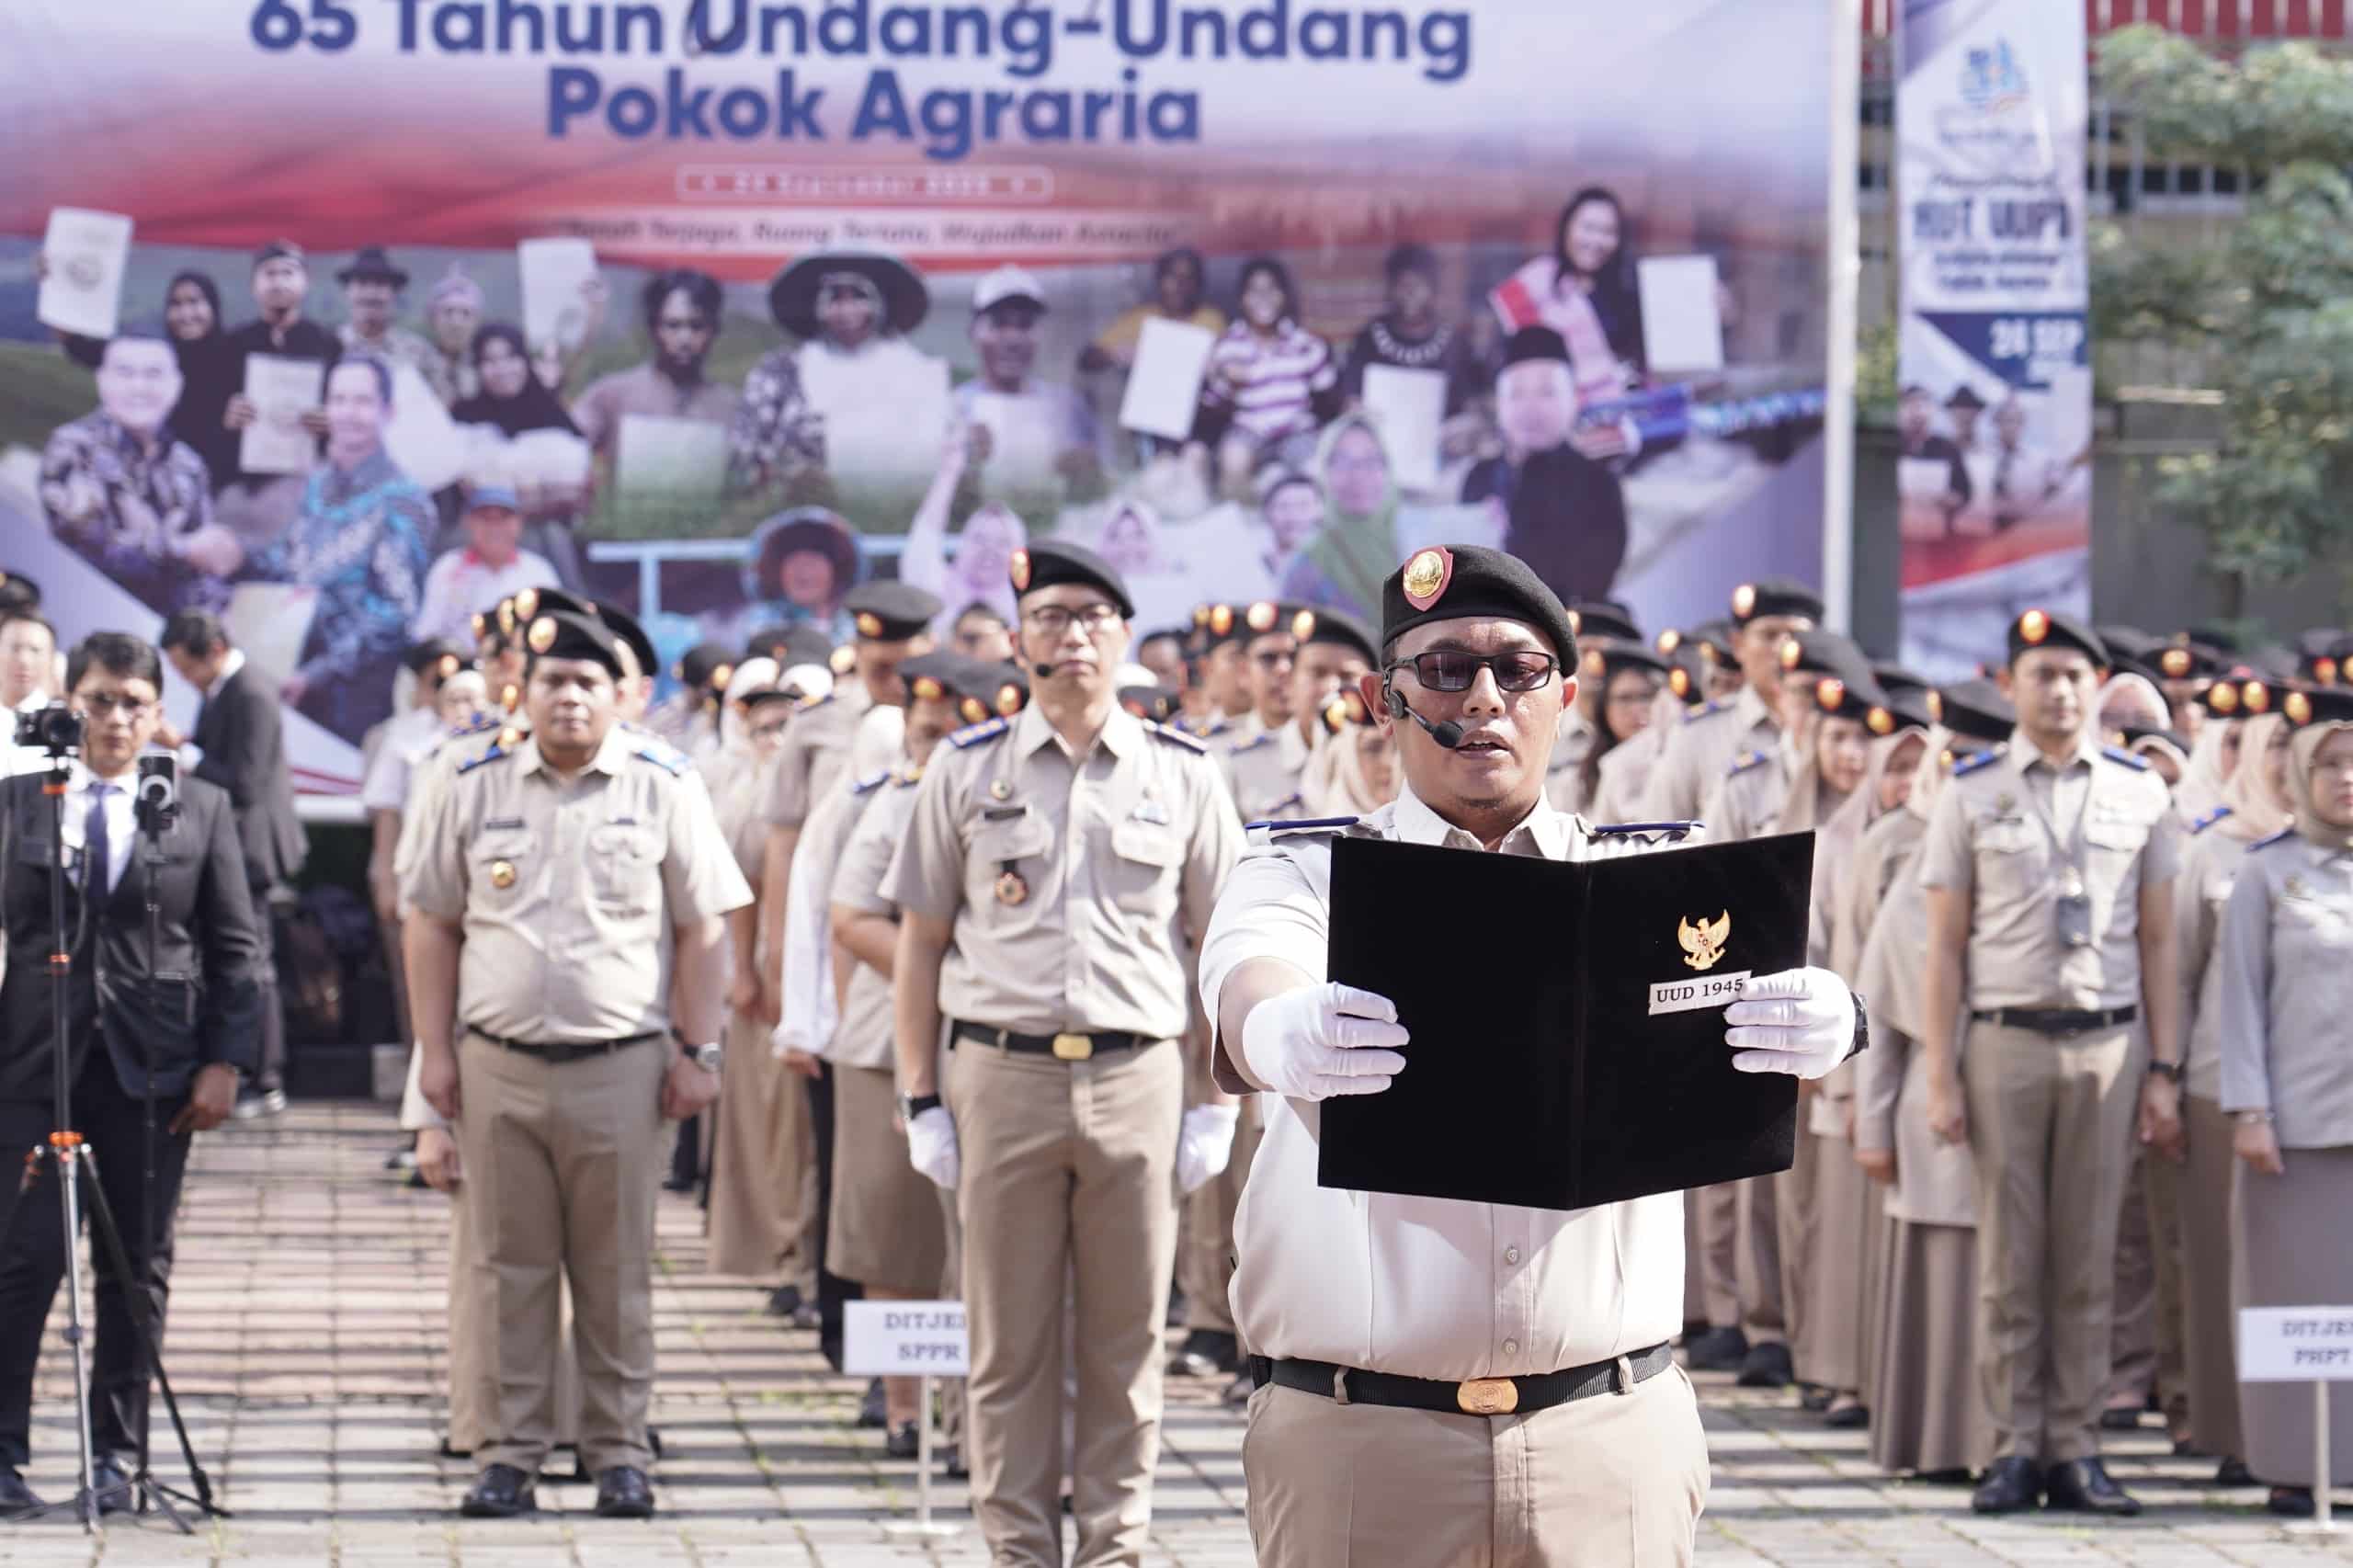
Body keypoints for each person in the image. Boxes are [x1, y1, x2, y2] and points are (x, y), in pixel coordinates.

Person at [1195, 543, 1862, 1568]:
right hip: (1366, 1438)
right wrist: (1278, 1029)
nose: (1484, 696)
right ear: (1384, 699)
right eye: (1446, 667)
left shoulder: (1651, 882)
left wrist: (1832, 1013)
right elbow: (1249, 973)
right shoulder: (1304, 872)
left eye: (1519, 667)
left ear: (1565, 696)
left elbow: (1761, 1000)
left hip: (1605, 1430)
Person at [885, 540, 1245, 1565]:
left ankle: (1117, 1543)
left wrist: (1217, 1100)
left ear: (1124, 635)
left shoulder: (1182, 774)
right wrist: (921, 1097)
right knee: (1006, 1344)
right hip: (1001, 1074)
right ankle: (1017, 1546)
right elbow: (919, 940)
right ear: (1017, 639)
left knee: (1127, 1340)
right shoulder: (964, 768)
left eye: (1092, 614)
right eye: (1049, 615)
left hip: (1139, 1075)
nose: (1071, 632)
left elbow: (1220, 942)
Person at [403, 609, 750, 1520]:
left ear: (620, 697)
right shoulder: (472, 780)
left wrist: (699, 1048)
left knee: (616, 1270)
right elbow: (430, 921)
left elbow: (704, 926)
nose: (568, 696)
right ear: (525, 690)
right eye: (553, 679)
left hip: (621, 1065)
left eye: (588, 682)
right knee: (505, 1267)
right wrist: (433, 1056)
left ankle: (618, 1449)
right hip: (498, 1062)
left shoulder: (662, 783)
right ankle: (509, 1453)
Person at [1917, 609, 2187, 1517]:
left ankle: (2077, 1446)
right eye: (2043, 673)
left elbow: (2158, 941)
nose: (2060, 689)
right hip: (2003, 1041)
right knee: (2009, 1255)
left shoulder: (2137, 791)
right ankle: (2011, 1447)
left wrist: (2165, 1069)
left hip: (2109, 1045)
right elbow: (1943, 947)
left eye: (2075, 673)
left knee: (2087, 1257)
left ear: (2097, 686)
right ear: (2011, 684)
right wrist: (1942, 1074)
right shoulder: (1969, 790)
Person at [0, 632, 263, 1515]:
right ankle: (2, 1453)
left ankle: (116, 1457)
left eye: (133, 703)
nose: (115, 719)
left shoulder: (198, 808)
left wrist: (226, 1060)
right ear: (70, 704)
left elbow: (234, 947)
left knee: (133, 1265)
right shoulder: (22, 802)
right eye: (100, 699)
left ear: (159, 715)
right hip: (37, 1065)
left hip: (152, 1066)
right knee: (24, 1258)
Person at [1644, 579, 1822, 1383]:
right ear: (1739, 645)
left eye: (1797, 634)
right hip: (1719, 956)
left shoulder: (1834, 722)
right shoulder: (1704, 737)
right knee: (1732, 1146)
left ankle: (1793, 1321)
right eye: (1768, 636)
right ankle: (1736, 1313)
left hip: (1822, 956)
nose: (1782, 653)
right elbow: (1655, 839)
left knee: (1807, 1164)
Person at [1852, 683, 2015, 1480]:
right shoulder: (1912, 854)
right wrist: (1872, 1121)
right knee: (1948, 1272)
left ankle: (2009, 1441)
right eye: (1957, 759)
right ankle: (1948, 1445)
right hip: (1936, 1087)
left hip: (2019, 1077)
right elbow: (1882, 1009)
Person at [2217, 685, 2353, 1518]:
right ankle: (2293, 1464)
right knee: (2295, 1305)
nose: (2346, 779)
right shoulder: (2267, 873)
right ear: (2299, 776)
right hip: (2295, 1129)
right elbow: (2238, 1000)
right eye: (2330, 765)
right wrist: (2250, 1110)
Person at [2171, 697, 2293, 1491]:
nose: (2280, 759)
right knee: (2223, 1265)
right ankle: (2235, 1432)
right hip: (2219, 1081)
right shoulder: (2213, 846)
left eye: (2295, 743)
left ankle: (2303, 1430)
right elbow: (2180, 972)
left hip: (2318, 1091)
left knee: (2302, 1270)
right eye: (2269, 745)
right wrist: (2165, 1077)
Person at [754, 582, 938, 1028]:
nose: (895, 685)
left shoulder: (955, 719)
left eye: (905, 670)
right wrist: (779, 953)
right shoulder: (819, 721)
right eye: (880, 670)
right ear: (855, 652)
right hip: (824, 924)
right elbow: (785, 842)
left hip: (917, 922)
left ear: (929, 649)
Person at [231, 356, 434, 743]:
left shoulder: (405, 501)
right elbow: (292, 565)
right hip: (292, 672)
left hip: (355, 695)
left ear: (387, 411)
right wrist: (237, 554)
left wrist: (317, 674)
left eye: (362, 401)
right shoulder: (317, 485)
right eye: (338, 399)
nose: (348, 412)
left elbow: (396, 613)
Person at [159, 608, 306, 1119]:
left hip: (253, 850)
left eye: (186, 668)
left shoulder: (251, 693)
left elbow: (245, 782)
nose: (185, 679)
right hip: (232, 847)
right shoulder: (224, 691)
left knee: (253, 964)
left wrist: (183, 749)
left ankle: (264, 1079)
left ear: (214, 650)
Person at [40, 333, 229, 616]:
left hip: (168, 636)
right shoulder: (72, 446)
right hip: (86, 616)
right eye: (124, 373)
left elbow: (202, 570)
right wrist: (182, 550)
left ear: (176, 384)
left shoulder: (189, 465)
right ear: (102, 379)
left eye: (153, 374)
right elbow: (86, 545)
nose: (138, 387)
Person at [448, 323, 591, 589]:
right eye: (490, 360)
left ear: (525, 361)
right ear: (478, 368)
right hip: (480, 544)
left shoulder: (552, 416)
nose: (502, 369)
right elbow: (465, 487)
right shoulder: (464, 417)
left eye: (510, 357)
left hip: (548, 543)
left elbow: (573, 495)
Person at [953, 265, 1106, 500]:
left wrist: (1086, 471)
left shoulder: (1067, 408)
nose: (1013, 339)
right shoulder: (954, 409)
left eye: (1025, 325)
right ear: (973, 332)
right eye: (999, 324)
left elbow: (1103, 486)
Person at [1491, 186, 1649, 406]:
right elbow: (1510, 363)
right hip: (1555, 415)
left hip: (1622, 413)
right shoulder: (1533, 285)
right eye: (1588, 228)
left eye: (1608, 232)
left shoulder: (1626, 289)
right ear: (1567, 228)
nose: (1596, 241)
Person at [1222, 606, 1377, 824]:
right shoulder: (1239, 766)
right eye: (1318, 673)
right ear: (1290, 684)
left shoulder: (1389, 766)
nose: (1331, 688)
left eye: (1347, 676)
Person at [570, 270, 740, 465]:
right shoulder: (610, 396)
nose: (685, 339)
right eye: (673, 325)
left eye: (697, 326)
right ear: (653, 328)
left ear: (714, 329)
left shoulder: (731, 408)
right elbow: (563, 445)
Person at [1203, 256, 1340, 494]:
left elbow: (1329, 398)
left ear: (1284, 297)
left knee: (1314, 468)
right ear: (1242, 299)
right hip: (1250, 429)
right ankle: (1241, 524)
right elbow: (1212, 405)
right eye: (1254, 291)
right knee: (1233, 460)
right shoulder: (1228, 346)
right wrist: (1223, 379)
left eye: (1271, 290)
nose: (1262, 298)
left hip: (1296, 428)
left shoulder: (1304, 343)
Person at [1279, 415, 1401, 623]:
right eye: (1342, 462)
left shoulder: (1418, 546)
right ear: (1324, 472)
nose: (1358, 475)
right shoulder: (1307, 567)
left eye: (1371, 460)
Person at [412, 484, 560, 646]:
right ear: (468, 522)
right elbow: (425, 635)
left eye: (503, 517)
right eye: (485, 518)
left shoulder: (539, 572)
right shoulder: (448, 568)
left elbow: (556, 630)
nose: (494, 527)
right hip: (463, 664)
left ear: (519, 523)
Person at [1341, 243, 1479, 415]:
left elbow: (1469, 399)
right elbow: (1351, 394)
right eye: (1402, 284)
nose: (1410, 293)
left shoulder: (1454, 342)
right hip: (1380, 436)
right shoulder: (1369, 338)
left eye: (1419, 285)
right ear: (1390, 289)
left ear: (1432, 289)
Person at [1080, 247, 1224, 376]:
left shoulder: (1211, 319)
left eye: (1188, 277)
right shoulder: (1141, 318)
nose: (1180, 285)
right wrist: (1113, 355)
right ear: (1158, 280)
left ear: (1199, 284)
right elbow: (1086, 360)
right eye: (1172, 276)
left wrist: (1217, 367)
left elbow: (1231, 365)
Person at [1561, 642, 1668, 814]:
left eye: (1646, 697)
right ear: (1605, 707)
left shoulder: (1669, 762)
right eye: (1625, 698)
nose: (1637, 709)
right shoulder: (1582, 775)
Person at [729, 507, 862, 646]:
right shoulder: (756, 626)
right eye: (794, 563)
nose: (804, 573)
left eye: (813, 562)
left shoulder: (859, 626)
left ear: (837, 570)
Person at [334, 247, 438, 389]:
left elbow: (438, 406)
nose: (370, 294)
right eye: (362, 284)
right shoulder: (328, 347)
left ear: (394, 294)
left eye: (380, 284)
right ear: (347, 292)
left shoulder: (419, 352)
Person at [1895, 386, 1972, 536]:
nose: (1917, 412)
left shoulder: (1947, 448)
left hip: (1937, 532)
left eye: (1923, 405)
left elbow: (1964, 492)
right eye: (1910, 405)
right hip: (1898, 535)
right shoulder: (1890, 447)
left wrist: (1950, 500)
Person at [1, 614, 59, 780]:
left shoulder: (60, 725)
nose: (24, 660)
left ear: (51, 659)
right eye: (15, 648)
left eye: (35, 650)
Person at [422, 266, 485, 407]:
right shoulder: (417, 362)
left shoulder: (488, 366)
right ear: (432, 318)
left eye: (466, 313)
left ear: (477, 321)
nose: (456, 323)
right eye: (448, 312)